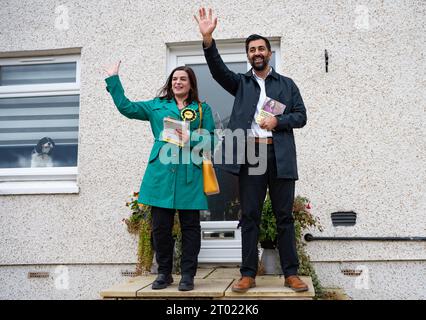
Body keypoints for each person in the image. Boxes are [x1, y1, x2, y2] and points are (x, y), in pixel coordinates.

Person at [194, 8, 309, 293]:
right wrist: (208, 40)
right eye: (252, 49)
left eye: (261, 48)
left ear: (269, 53)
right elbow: (217, 70)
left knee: (284, 216)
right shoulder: (241, 83)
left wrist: (278, 121)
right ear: (248, 56)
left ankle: (291, 274)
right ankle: (247, 274)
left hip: (280, 155)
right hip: (251, 157)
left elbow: (301, 116)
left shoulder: (287, 85)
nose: (256, 53)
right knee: (250, 216)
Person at [104, 62, 215, 291]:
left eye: (183, 79)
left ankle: (187, 275)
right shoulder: (156, 106)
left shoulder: (202, 109)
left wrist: (189, 138)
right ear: (170, 83)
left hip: (189, 173)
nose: (178, 82)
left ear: (191, 83)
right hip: (161, 173)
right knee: (160, 227)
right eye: (175, 79)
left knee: (190, 227)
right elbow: (126, 107)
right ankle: (164, 273)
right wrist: (114, 80)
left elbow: (212, 141)